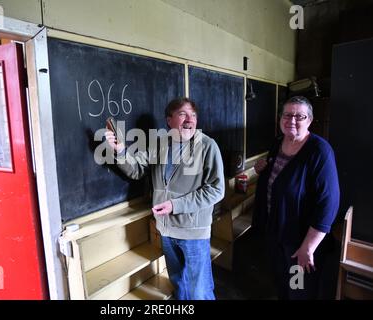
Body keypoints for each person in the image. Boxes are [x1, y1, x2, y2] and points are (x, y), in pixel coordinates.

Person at [105, 97, 225, 300]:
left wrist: (175, 205)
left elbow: (216, 190)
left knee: (199, 290)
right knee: (179, 282)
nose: (190, 120)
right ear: (169, 120)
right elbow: (136, 170)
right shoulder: (159, 144)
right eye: (182, 114)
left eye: (193, 115)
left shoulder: (207, 146)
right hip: (166, 229)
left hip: (193, 232)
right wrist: (120, 151)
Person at [253, 96, 340, 299]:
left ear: (309, 120)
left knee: (297, 287)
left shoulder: (319, 151)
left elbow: (328, 203)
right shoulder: (277, 143)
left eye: (299, 116)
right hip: (276, 234)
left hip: (298, 243)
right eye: (287, 115)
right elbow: (278, 177)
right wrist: (262, 169)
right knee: (282, 282)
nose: (292, 120)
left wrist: (308, 247)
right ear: (280, 119)